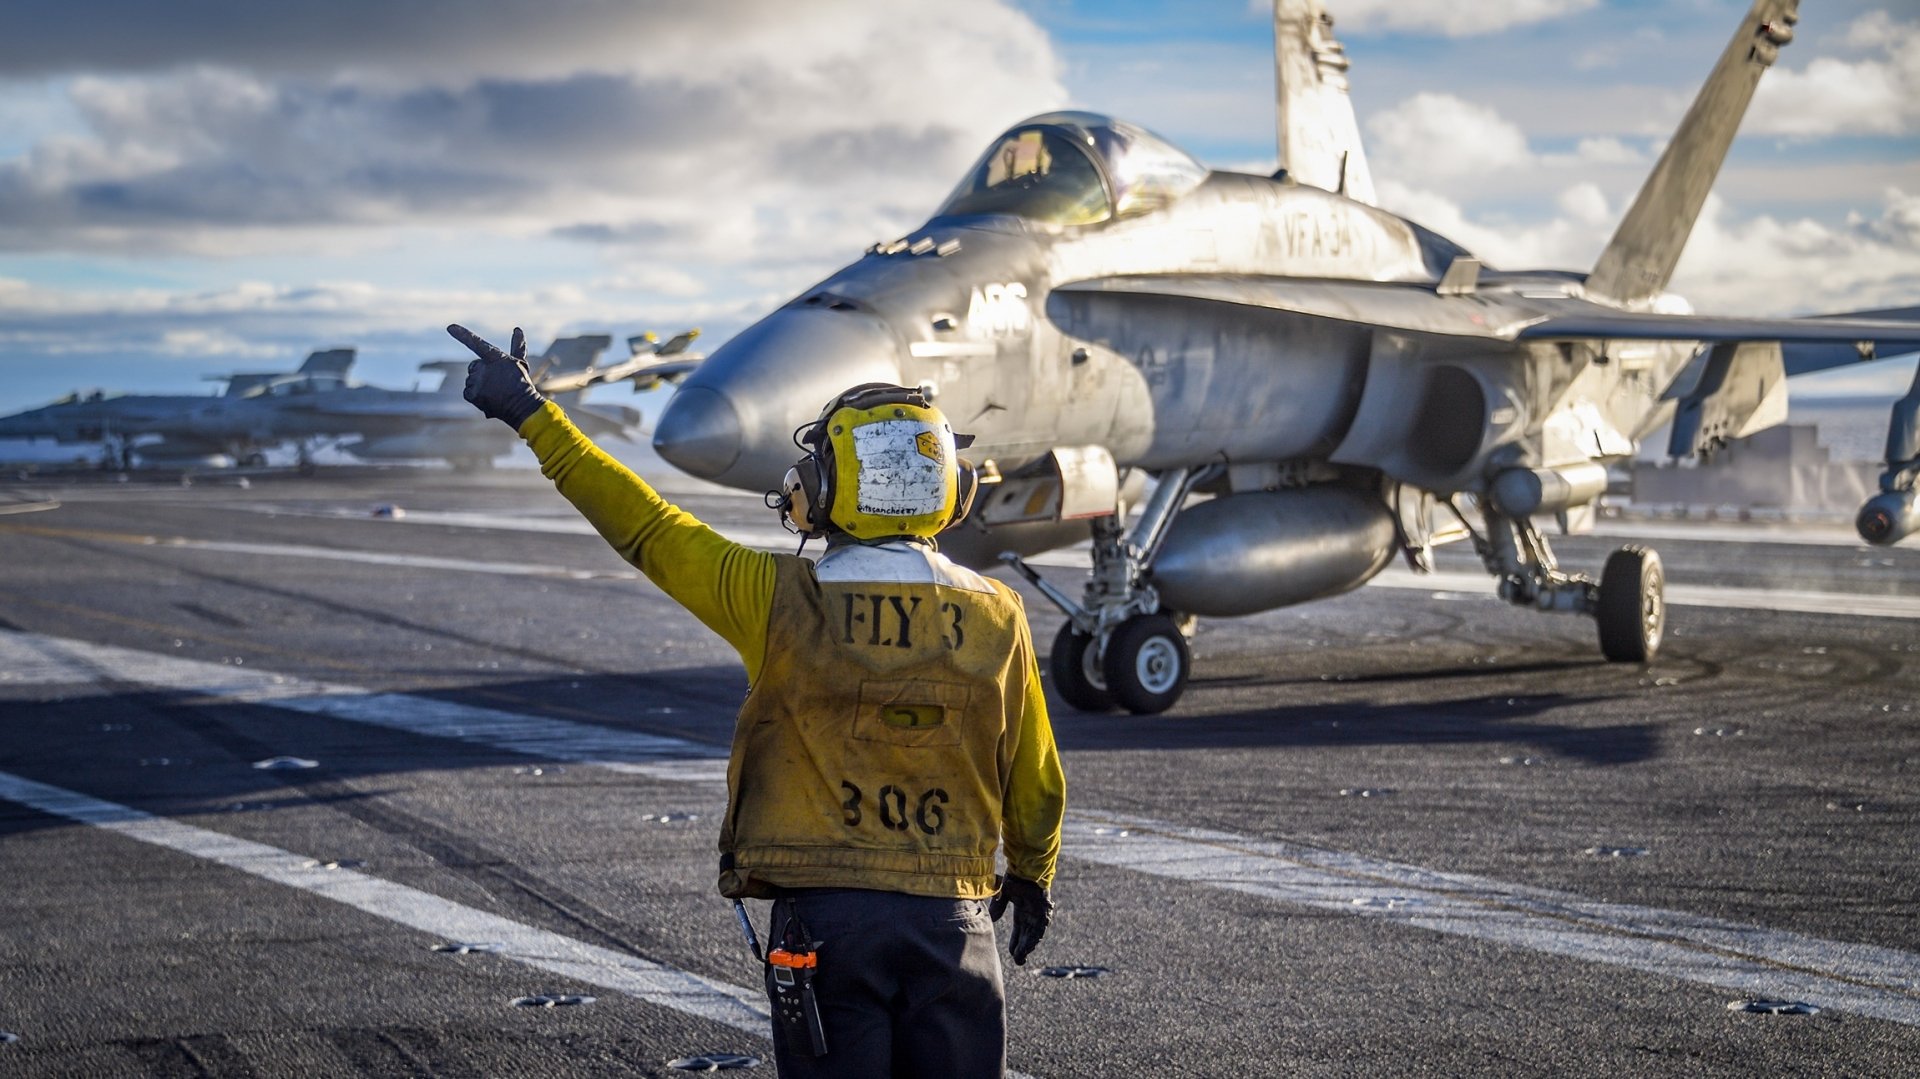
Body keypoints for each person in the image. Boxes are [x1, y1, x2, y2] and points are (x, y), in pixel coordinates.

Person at [449, 324, 1065, 1078]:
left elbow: (645, 525)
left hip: (826, 924)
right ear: (954, 490)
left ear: (827, 490)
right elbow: (1034, 777)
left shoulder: (773, 597)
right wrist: (1033, 873)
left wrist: (533, 413)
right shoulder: (999, 612)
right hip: (955, 922)